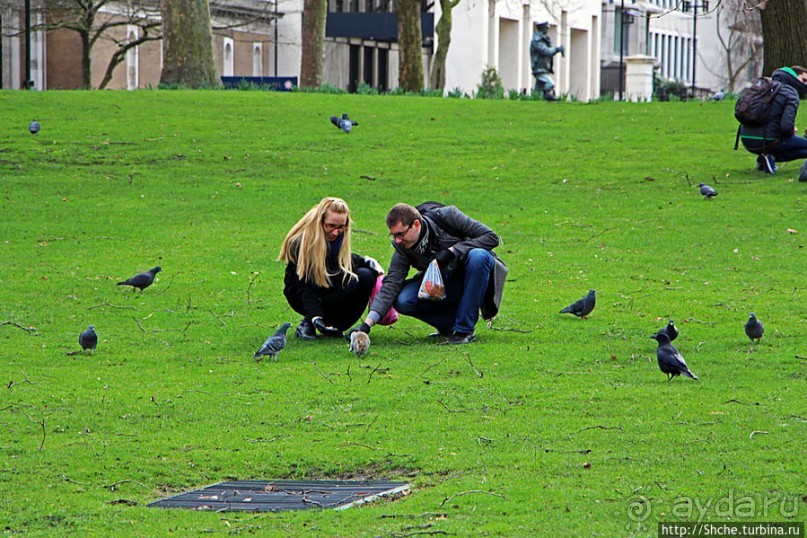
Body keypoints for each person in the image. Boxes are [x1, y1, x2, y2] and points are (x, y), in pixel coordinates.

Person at [348, 203, 507, 345]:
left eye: (400, 234)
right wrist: (367, 325)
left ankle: (464, 331)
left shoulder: (447, 216)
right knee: (403, 299)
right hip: (443, 285)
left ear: (416, 224)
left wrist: (453, 251)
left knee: (478, 256)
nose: (397, 240)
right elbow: (391, 284)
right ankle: (448, 325)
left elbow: (491, 237)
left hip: (475, 277)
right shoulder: (404, 248)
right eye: (394, 235)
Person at [278, 197, 383, 340]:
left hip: (327, 283)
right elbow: (304, 285)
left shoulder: (339, 237)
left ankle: (336, 325)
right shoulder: (301, 243)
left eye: (341, 227)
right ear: (320, 222)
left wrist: (367, 262)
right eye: (331, 226)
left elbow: (340, 262)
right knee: (351, 280)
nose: (335, 232)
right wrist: (314, 316)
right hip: (302, 291)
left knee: (365, 276)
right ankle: (309, 322)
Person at [739, 66, 807, 174]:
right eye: (804, 80)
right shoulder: (791, 94)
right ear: (793, 77)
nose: (805, 84)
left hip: (746, 140)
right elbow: (786, 126)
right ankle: (769, 156)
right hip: (768, 141)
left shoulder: (764, 88)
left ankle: (763, 159)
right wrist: (792, 131)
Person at [530, 21, 565, 101]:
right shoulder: (537, 41)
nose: (548, 29)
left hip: (543, 68)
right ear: (542, 28)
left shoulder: (542, 39)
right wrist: (557, 49)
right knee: (550, 84)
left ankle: (535, 100)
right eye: (546, 27)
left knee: (537, 91)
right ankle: (548, 96)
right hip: (539, 68)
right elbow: (546, 51)